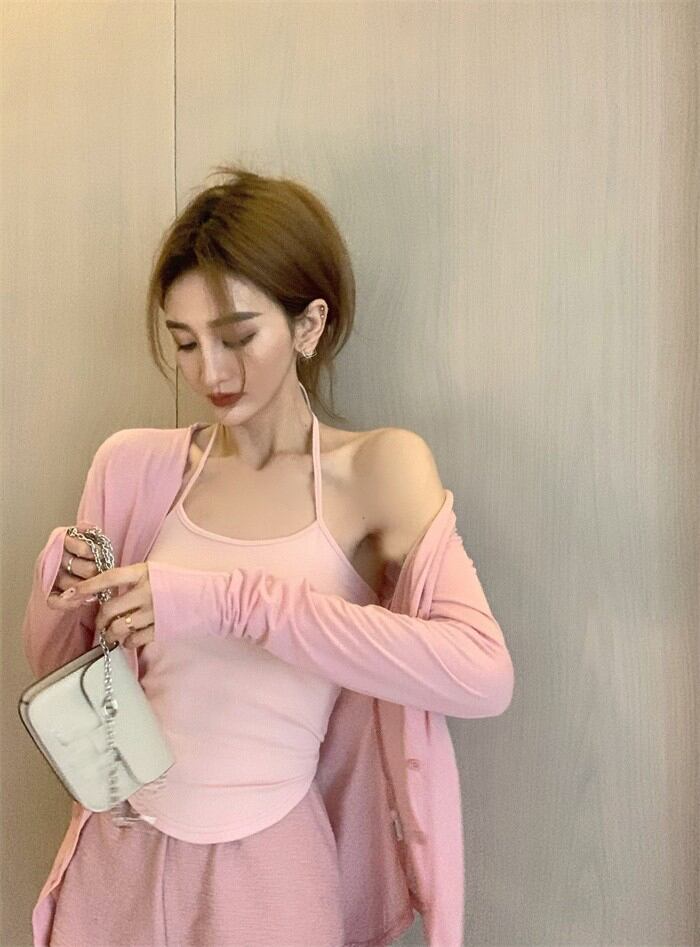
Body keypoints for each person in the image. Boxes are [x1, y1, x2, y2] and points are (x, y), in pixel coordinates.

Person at [22, 163, 515, 947]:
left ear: (309, 324)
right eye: (185, 342)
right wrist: (60, 588)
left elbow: (482, 673)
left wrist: (232, 603)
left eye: (238, 336)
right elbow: (63, 669)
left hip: (270, 868)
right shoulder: (132, 466)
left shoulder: (377, 470)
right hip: (117, 858)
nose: (209, 371)